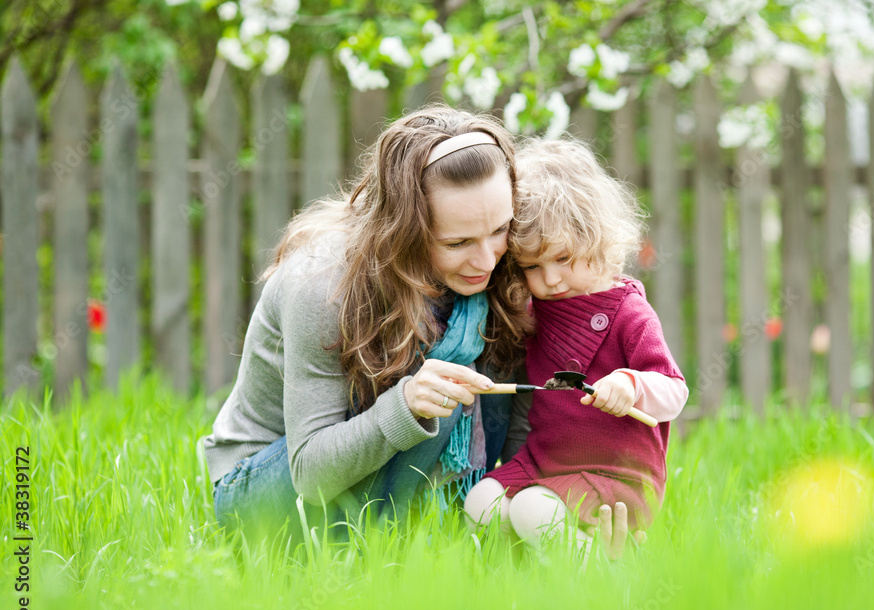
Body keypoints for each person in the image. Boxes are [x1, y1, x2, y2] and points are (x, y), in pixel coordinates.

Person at [201, 107, 642, 556]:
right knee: (445, 389)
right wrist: (406, 406)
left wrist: (569, 516)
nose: (487, 260)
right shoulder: (323, 286)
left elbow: (527, 430)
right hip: (263, 492)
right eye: (456, 243)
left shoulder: (509, 268)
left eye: (499, 230)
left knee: (474, 373)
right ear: (403, 231)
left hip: (381, 478)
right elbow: (311, 475)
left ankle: (448, 537)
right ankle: (389, 547)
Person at [463, 138, 689, 558]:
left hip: (615, 471)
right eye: (532, 266)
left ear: (595, 237)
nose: (549, 280)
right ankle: (525, 571)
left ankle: (598, 573)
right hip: (547, 460)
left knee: (531, 509)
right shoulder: (539, 311)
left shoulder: (628, 312)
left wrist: (631, 384)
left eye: (563, 258)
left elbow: (675, 392)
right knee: (480, 503)